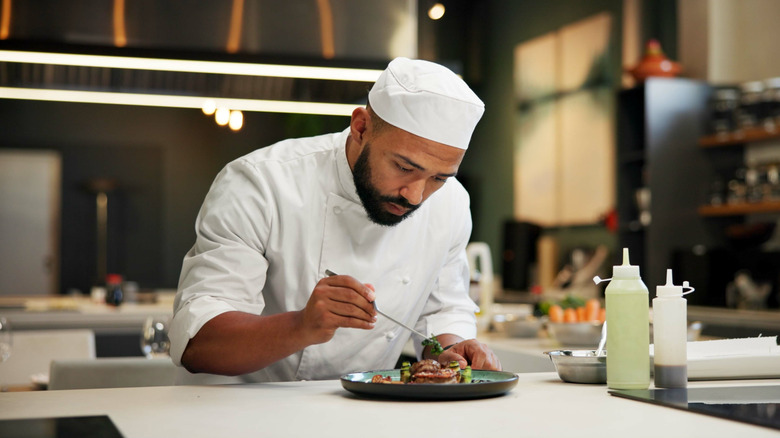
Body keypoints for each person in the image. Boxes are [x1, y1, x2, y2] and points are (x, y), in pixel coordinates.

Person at [169, 57, 501, 384]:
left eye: (438, 178)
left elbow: (442, 310)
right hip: (239, 410)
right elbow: (199, 343)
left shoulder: (451, 202)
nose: (415, 196)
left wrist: (453, 350)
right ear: (361, 128)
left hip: (366, 409)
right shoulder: (260, 184)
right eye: (403, 167)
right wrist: (301, 326)